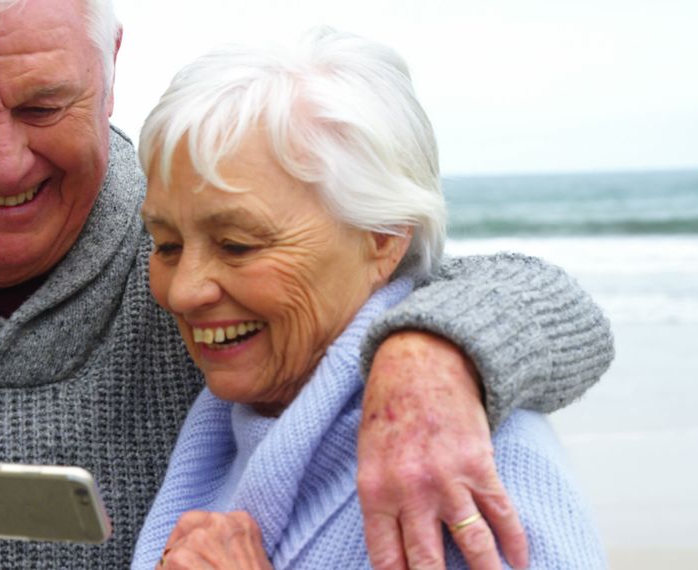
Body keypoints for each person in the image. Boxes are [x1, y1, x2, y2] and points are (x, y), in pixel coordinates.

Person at [0, 1, 612, 568]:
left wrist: (430, 350)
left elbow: (496, 288)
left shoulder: (206, 222)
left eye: (46, 104)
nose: (6, 158)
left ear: (109, 74)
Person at [131, 28, 608, 569]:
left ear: (382, 236)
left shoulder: (458, 460)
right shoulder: (233, 423)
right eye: (166, 245)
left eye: (238, 245)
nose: (184, 290)